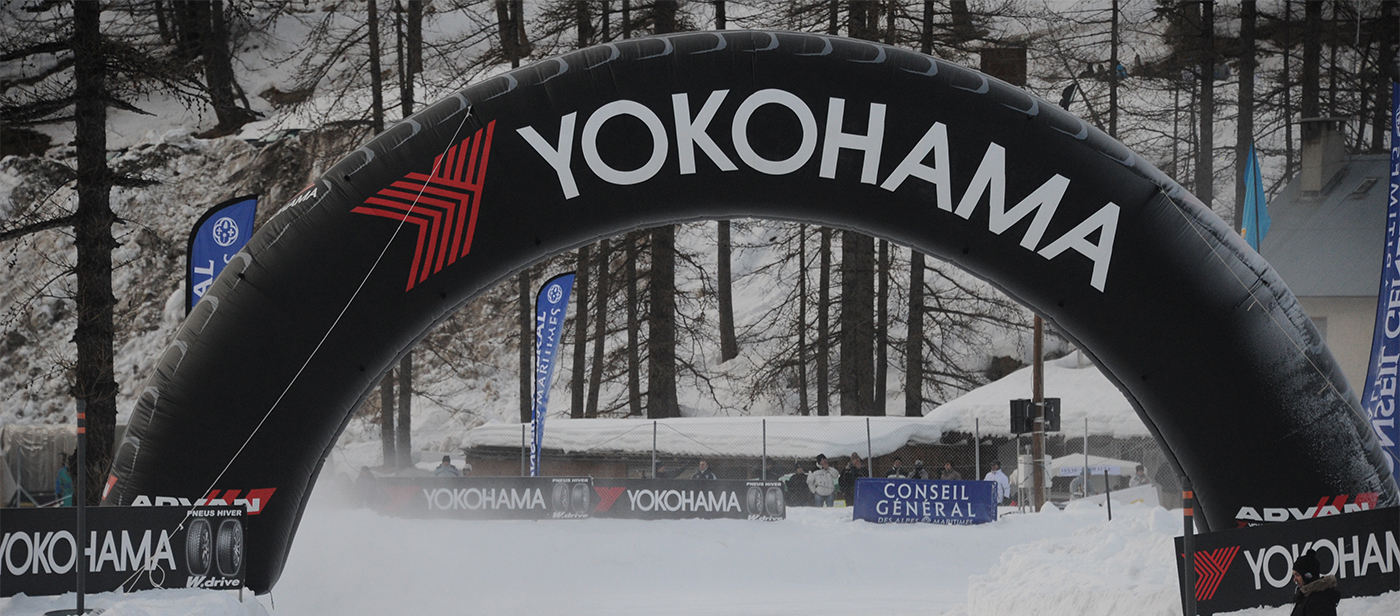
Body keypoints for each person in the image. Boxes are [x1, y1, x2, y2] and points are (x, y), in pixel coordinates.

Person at [1289, 549, 1339, 616]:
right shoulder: (1305, 596)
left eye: (1297, 575)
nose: (1294, 579)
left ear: (1307, 576)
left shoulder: (1320, 601)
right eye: (1294, 575)